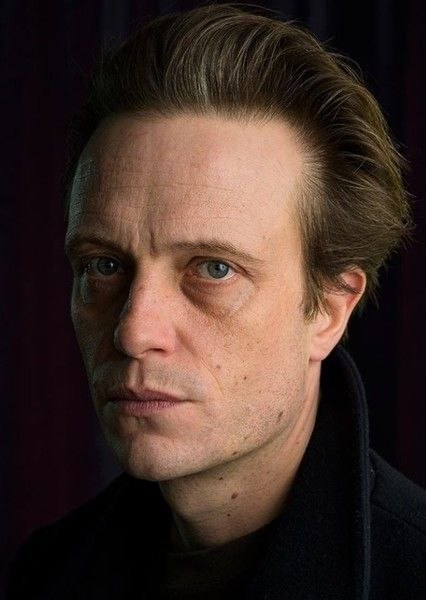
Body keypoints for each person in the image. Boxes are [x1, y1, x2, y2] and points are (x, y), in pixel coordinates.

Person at [6, 3, 426, 599]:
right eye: (103, 265)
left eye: (214, 269)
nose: (133, 331)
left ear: (330, 309)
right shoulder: (45, 574)